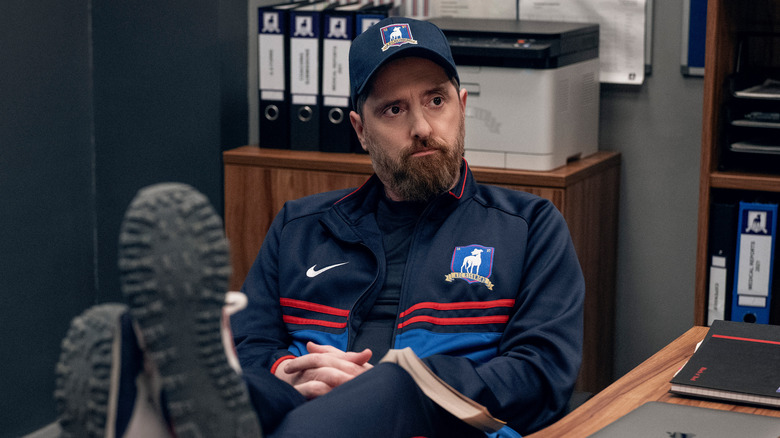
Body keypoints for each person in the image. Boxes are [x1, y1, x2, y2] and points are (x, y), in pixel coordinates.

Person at [55, 16, 584, 438]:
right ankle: (150, 392)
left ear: (462, 107)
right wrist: (290, 372)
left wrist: (392, 380)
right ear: (360, 129)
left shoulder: (530, 227)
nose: (422, 127)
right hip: (302, 408)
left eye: (436, 100)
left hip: (438, 420)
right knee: (252, 384)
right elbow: (253, 343)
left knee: (393, 386)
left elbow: (543, 376)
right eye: (394, 109)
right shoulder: (300, 227)